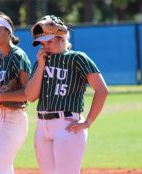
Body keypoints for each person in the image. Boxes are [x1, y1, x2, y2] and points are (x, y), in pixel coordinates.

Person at [25, 15, 109, 174]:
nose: (45, 46)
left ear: (62, 37)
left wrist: (88, 122)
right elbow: (30, 96)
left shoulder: (77, 58)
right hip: (42, 126)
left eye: (49, 41)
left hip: (67, 124)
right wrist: (41, 65)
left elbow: (102, 90)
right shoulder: (41, 60)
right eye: (42, 43)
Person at [0, 12, 31, 174]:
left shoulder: (18, 56)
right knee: (4, 169)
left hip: (11, 119)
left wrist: (4, 96)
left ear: (8, 31)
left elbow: (29, 92)